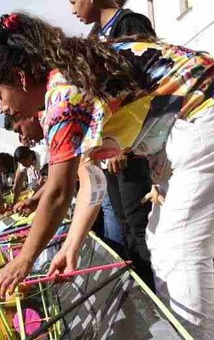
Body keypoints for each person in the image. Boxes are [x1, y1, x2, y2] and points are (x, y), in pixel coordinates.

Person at [0, 13, 214, 340]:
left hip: (213, 108)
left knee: (179, 246)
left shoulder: (62, 93)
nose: (2, 107)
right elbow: (93, 183)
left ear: (20, 77)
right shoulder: (70, 75)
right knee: (159, 238)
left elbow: (57, 193)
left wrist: (24, 259)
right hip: (208, 111)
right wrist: (71, 245)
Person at [70, 0, 157, 288]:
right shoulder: (95, 38)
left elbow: (141, 87)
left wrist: (126, 143)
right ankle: (142, 289)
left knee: (138, 223)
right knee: (122, 220)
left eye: (72, 1)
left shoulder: (130, 25)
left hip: (130, 145)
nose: (72, 10)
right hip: (109, 148)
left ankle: (156, 292)